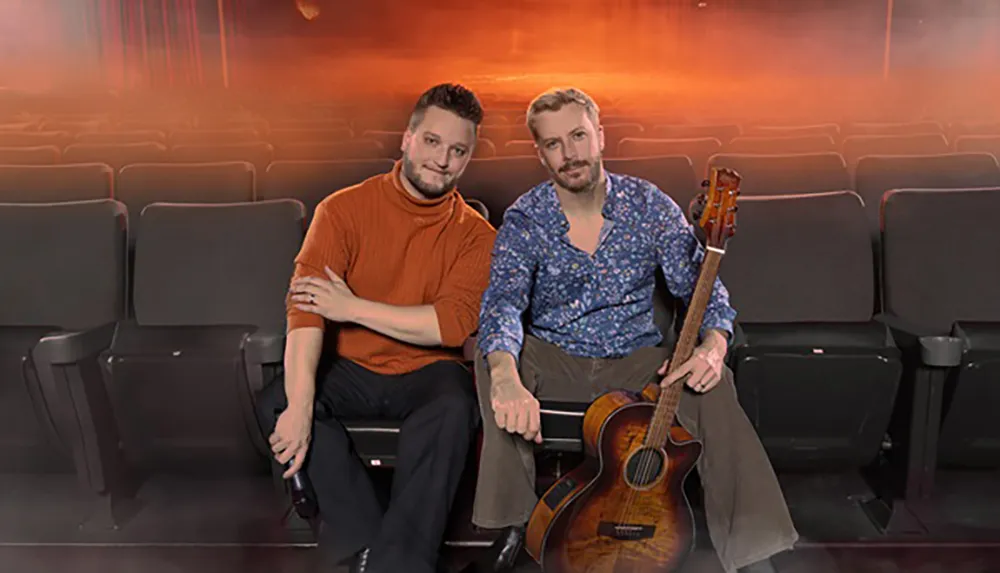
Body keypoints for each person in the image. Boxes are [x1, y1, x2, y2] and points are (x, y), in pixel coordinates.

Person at [471, 87, 799, 573]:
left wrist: (714, 346)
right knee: (492, 357)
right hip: (557, 358)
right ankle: (512, 525)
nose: (570, 153)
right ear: (540, 154)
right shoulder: (525, 218)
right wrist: (504, 375)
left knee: (714, 383)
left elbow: (706, 293)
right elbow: (502, 305)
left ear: (600, 136)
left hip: (637, 363)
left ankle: (754, 552)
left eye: (578, 136)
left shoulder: (650, 205)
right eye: (554, 144)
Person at [256, 83, 496, 573]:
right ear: (407, 138)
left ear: (468, 158)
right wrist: (300, 406)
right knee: (279, 398)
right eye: (432, 141)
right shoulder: (341, 209)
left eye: (458, 151)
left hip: (428, 370)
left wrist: (351, 307)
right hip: (351, 365)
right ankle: (369, 547)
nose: (442, 160)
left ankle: (397, 561)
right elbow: (306, 312)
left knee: (455, 407)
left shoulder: (477, 235)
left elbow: (448, 327)